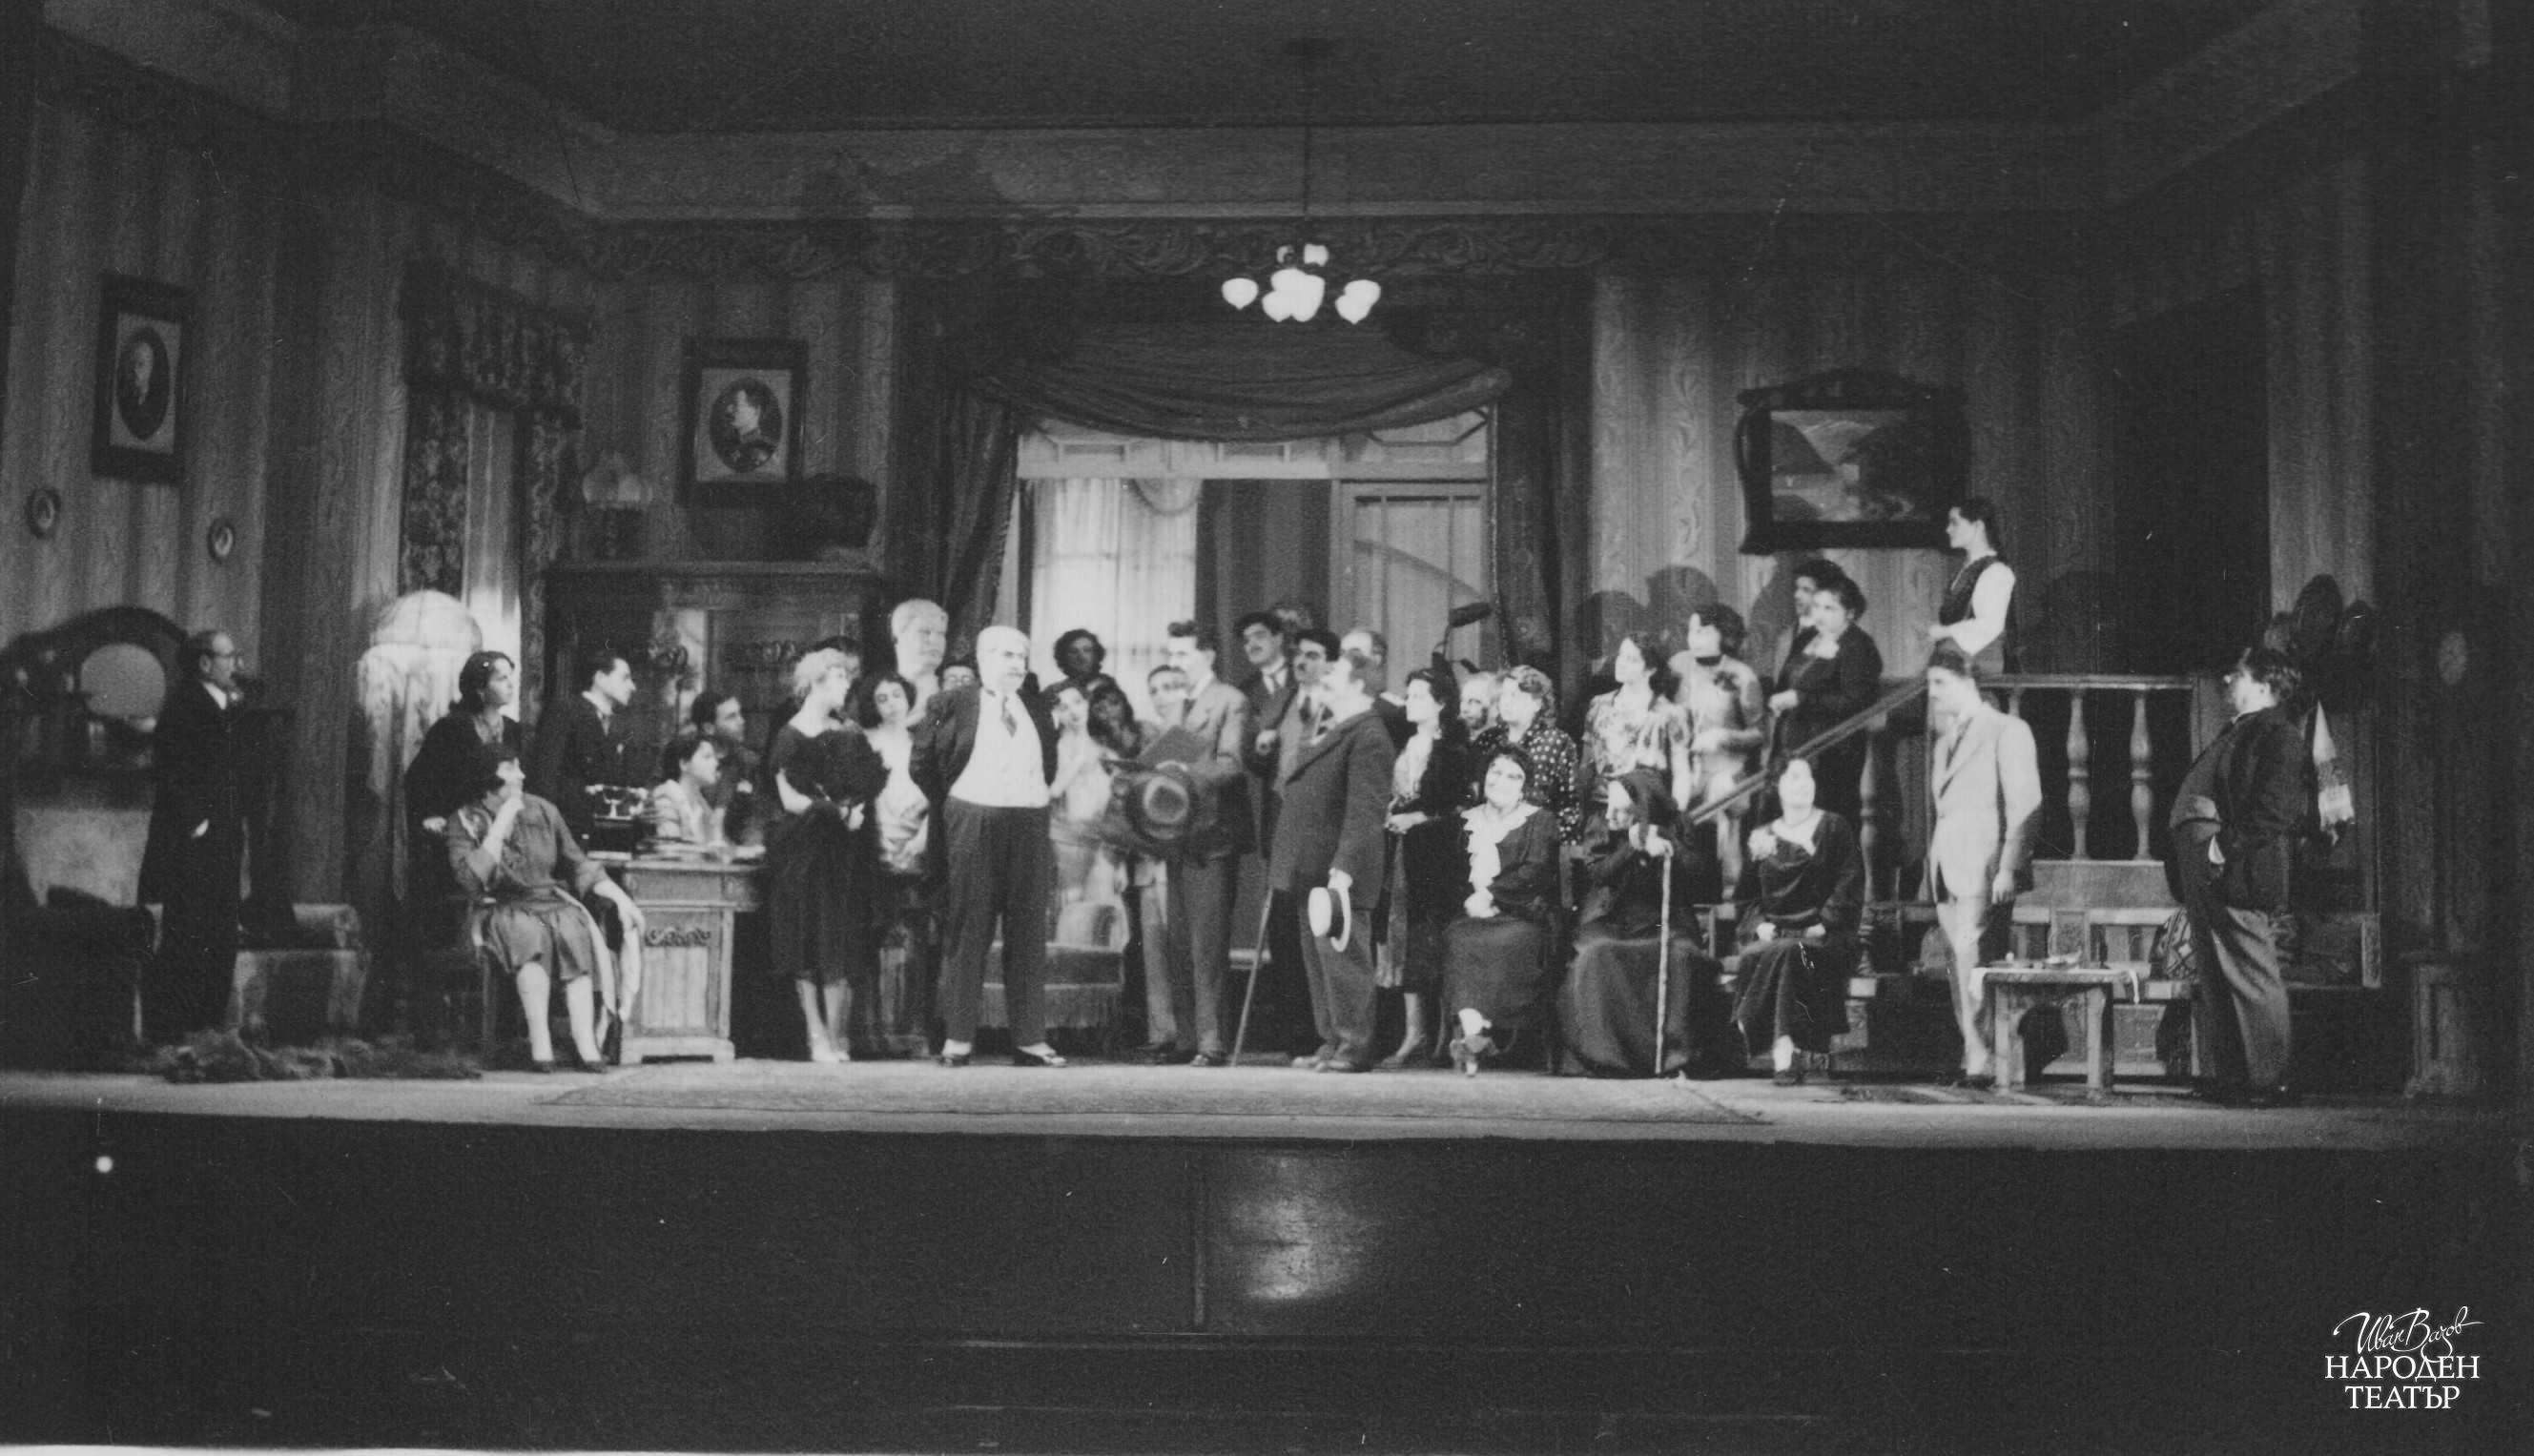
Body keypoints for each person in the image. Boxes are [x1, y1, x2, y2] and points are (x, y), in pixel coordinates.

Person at [913, 625, 1068, 1069]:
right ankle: (959, 1039)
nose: (1017, 664)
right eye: (1007, 655)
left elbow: (1048, 765)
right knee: (969, 928)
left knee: (1028, 932)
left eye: (1022, 656)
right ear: (982, 659)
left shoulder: (1037, 707)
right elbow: (922, 764)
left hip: (1030, 821)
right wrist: (958, 804)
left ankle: (1030, 1040)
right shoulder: (951, 703)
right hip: (973, 818)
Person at [446, 741, 647, 1073]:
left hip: (550, 901)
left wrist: (622, 899)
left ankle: (586, 1044)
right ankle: (541, 1045)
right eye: (510, 768)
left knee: (575, 932)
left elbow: (578, 865)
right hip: (502, 906)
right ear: (488, 778)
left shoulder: (542, 810)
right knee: (529, 936)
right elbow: (471, 878)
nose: (521, 775)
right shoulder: (464, 820)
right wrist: (501, 823)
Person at [2168, 647, 2309, 1107]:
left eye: (2239, 675)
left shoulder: (2278, 732)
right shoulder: (2239, 730)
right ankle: (2235, 1077)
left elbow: (2276, 809)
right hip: (2207, 864)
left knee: (2249, 971)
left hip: (2235, 867)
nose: (2228, 680)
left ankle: (2270, 1080)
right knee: (2215, 972)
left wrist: (2220, 848)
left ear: (2265, 686)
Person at [1267, 645, 1395, 1073]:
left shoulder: (1369, 736)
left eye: (1335, 672)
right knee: (1319, 961)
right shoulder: (1338, 729)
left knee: (1344, 960)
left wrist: (1344, 869)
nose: (1325, 677)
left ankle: (1354, 1046)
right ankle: (1332, 1041)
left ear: (1356, 684)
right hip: (1311, 867)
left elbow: (1365, 812)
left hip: (1338, 871)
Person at [1138, 622, 1255, 1068]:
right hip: (1178, 834)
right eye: (1171, 655)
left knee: (1207, 942)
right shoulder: (1178, 705)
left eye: (1183, 655)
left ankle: (1212, 1040)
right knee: (1181, 942)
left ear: (1207, 656)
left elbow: (1231, 764)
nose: (1175, 663)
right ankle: (1187, 1037)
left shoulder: (1230, 700)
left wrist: (1183, 773)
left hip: (1212, 834)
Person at [1923, 646, 2041, 1087]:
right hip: (1947, 867)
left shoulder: (2007, 730)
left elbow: (2025, 804)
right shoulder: (1943, 743)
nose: (1933, 693)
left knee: (1977, 960)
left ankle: (1992, 1058)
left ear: (1967, 682)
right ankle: (1975, 1054)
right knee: (1959, 963)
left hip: (1984, 866)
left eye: (1940, 683)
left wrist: (2009, 867)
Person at [1556, 771, 1725, 1078]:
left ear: (1643, 805)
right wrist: (1631, 847)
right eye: (1610, 807)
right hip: (1615, 923)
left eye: (1621, 810)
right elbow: (1598, 874)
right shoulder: (1602, 827)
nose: (1612, 816)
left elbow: (1702, 878)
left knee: (1680, 957)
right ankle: (1607, 1056)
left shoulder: (1678, 825)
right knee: (1596, 955)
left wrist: (1667, 843)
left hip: (1668, 923)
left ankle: (1676, 1056)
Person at [766, 647, 885, 1063]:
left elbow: (867, 782)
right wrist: (837, 812)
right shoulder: (790, 735)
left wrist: (857, 810)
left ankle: (837, 1035)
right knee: (805, 942)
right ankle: (816, 1035)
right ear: (816, 682)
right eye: (838, 678)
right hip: (804, 848)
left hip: (846, 850)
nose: (845, 686)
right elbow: (790, 799)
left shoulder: (849, 732)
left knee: (841, 940)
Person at [138, 629, 248, 1043]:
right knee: (189, 929)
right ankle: (179, 1028)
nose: (235, 664)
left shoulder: (232, 706)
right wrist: (197, 823)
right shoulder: (183, 706)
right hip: (191, 840)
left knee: (220, 930)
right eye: (228, 656)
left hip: (223, 836)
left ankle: (209, 1026)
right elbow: (171, 771)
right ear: (204, 663)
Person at [1729, 757, 1862, 1086]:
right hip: (1776, 933)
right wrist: (1758, 924)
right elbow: (1746, 896)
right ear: (1778, 786)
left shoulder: (1834, 827)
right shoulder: (1762, 835)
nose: (1803, 784)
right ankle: (1779, 1041)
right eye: (1794, 778)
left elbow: (1849, 883)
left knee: (1792, 953)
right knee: (1760, 953)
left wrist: (1826, 922)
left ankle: (1781, 1048)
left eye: (1808, 777)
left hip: (1824, 935)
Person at [1442, 749, 1565, 1076]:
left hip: (1522, 915)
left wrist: (1492, 897)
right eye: (1495, 772)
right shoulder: (1466, 821)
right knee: (1459, 938)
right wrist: (1472, 901)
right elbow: (1451, 873)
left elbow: (1536, 871)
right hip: (1474, 916)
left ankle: (1478, 1034)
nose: (1501, 780)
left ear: (1525, 786)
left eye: (1514, 776)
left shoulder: (1539, 820)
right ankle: (1474, 1031)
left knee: (1508, 942)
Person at [1378, 666, 1473, 1068]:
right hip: (1401, 855)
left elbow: (1460, 807)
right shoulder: (1403, 742)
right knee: (1402, 938)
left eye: (1419, 696)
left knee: (1431, 939)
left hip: (1437, 858)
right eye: (1409, 695)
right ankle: (1413, 1032)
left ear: (1441, 703)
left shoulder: (1453, 750)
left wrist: (1418, 818)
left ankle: (1444, 1035)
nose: (1410, 703)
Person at [1766, 576, 1883, 825]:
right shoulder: (1807, 638)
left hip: (1830, 750)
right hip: (1792, 743)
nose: (1819, 614)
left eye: (1829, 608)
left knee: (1826, 821)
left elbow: (1855, 701)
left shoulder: (1858, 646)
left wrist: (1800, 699)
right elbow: (1789, 679)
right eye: (1817, 606)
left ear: (1850, 613)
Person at [1671, 605, 1767, 893]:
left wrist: (1722, 737)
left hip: (1726, 769)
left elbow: (1760, 733)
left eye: (1703, 631)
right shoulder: (1678, 665)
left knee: (1720, 798)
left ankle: (1724, 893)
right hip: (1685, 766)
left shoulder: (1742, 675)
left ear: (1724, 635)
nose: (1694, 637)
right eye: (1691, 630)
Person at [864, 671, 936, 1053]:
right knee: (873, 940)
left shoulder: (922, 745)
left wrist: (920, 839)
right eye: (882, 698)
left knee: (914, 942)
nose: (892, 703)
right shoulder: (866, 742)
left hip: (914, 847)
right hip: (875, 847)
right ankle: (873, 1035)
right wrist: (877, 840)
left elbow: (936, 797)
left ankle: (912, 1032)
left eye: (897, 695)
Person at [526, 645, 640, 843]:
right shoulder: (565, 711)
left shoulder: (615, 725)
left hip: (598, 832)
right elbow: (546, 776)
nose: (632, 686)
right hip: (563, 830)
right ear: (600, 678)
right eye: (625, 678)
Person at [406, 650, 524, 841]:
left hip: (504, 821)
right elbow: (420, 779)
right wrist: (432, 814)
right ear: (480, 688)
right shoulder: (451, 728)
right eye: (502, 679)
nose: (511, 684)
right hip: (458, 822)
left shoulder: (513, 729)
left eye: (511, 676)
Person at [1581, 631, 1695, 821]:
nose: (1621, 663)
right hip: (1601, 811)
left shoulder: (1669, 714)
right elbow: (1586, 764)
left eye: (1632, 659)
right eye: (1621, 655)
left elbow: (1682, 772)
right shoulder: (1599, 705)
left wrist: (1677, 818)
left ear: (1650, 669)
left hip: (1645, 811)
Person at [1047, 682, 1120, 906]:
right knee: (1074, 907)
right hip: (1071, 841)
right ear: (1056, 714)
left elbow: (1115, 804)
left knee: (1105, 906)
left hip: (1104, 840)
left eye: (1077, 702)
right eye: (1064, 707)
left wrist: (1120, 864)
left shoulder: (1105, 748)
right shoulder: (1058, 747)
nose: (1073, 711)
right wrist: (1078, 760)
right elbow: (1054, 791)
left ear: (1087, 704)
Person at [1926, 498, 2017, 674]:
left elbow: (1990, 625)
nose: (1948, 529)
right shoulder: (1966, 570)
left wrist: (1944, 631)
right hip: (1958, 664)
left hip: (1980, 667)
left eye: (1955, 523)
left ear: (1978, 526)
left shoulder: (1996, 571)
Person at [1494, 666, 1584, 842]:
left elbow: (1569, 803)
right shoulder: (1492, 740)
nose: (1507, 702)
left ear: (1537, 704)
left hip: (1536, 840)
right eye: (1504, 695)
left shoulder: (1556, 742)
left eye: (1516, 696)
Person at [686, 689, 760, 845]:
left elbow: (753, 817)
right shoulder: (686, 757)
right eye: (731, 717)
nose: (741, 721)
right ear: (709, 728)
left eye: (739, 714)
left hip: (735, 847)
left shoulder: (748, 762)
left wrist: (750, 846)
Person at [1768, 559, 1845, 695]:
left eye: (1806, 590)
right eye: (1797, 588)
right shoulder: (1786, 636)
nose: (1796, 595)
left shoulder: (1838, 637)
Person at [649, 733, 728, 851]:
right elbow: (670, 851)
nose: (716, 763)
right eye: (707, 757)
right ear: (684, 764)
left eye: (715, 758)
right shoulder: (666, 799)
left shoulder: (702, 805)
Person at [892, 598, 949, 712]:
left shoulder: (953, 696)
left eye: (941, 633)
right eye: (925, 632)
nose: (935, 640)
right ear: (898, 637)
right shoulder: (878, 691)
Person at [1051, 627, 1122, 705]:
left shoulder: (1107, 685)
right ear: (1064, 657)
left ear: (1096, 655)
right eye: (1073, 651)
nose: (1081, 657)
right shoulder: (1055, 691)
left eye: (1087, 650)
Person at [1145, 663, 1192, 729]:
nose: (1159, 696)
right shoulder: (1152, 733)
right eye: (1153, 691)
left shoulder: (1200, 729)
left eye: (1167, 687)